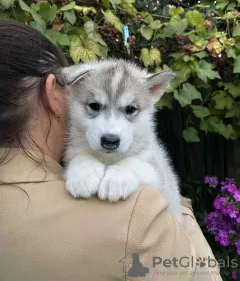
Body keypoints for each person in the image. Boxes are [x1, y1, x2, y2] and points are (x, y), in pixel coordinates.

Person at [0, 19, 222, 281]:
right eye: (94, 106)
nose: (110, 131)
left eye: (129, 110)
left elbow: (150, 170)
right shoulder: (140, 219)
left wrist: (131, 172)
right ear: (53, 92)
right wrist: (184, 210)